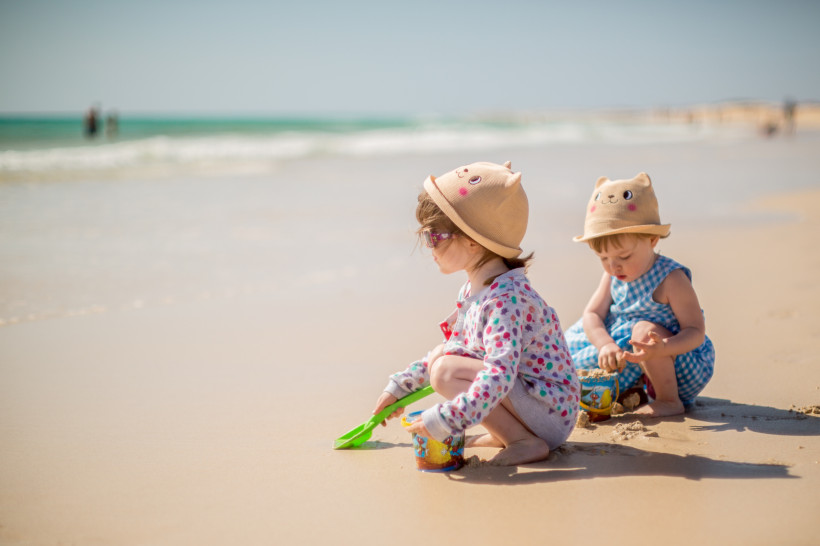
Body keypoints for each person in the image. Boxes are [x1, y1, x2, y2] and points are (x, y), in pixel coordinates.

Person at [372, 161, 580, 466]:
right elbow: (452, 350)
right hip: (536, 404)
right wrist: (401, 387)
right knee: (445, 358)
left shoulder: (504, 301)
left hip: (550, 412)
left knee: (445, 372)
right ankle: (508, 433)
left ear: (471, 242)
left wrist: (444, 420)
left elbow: (499, 375)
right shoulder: (477, 290)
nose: (429, 247)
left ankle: (524, 440)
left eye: (433, 237)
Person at [565, 173, 714, 417]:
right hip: (634, 363)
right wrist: (605, 345)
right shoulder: (613, 275)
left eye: (623, 256)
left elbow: (696, 332)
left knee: (644, 330)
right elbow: (592, 314)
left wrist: (661, 349)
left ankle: (668, 401)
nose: (614, 267)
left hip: (679, 365)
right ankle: (628, 391)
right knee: (573, 354)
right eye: (604, 259)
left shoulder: (671, 279)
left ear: (652, 240)